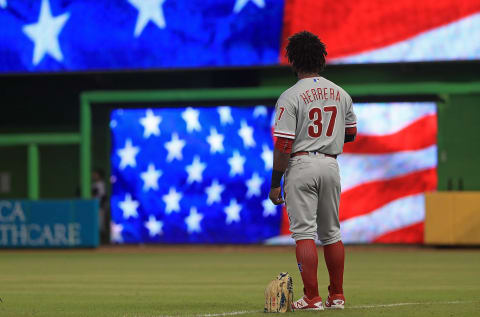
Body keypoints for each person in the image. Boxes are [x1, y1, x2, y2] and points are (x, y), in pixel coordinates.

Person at [268, 31, 357, 310]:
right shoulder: (340, 93)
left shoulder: (290, 96)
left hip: (302, 163)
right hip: (330, 163)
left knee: (304, 233)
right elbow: (351, 133)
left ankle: (311, 298)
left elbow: (283, 144)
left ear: (293, 61)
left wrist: (274, 183)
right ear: (322, 59)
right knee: (332, 233)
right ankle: (337, 296)